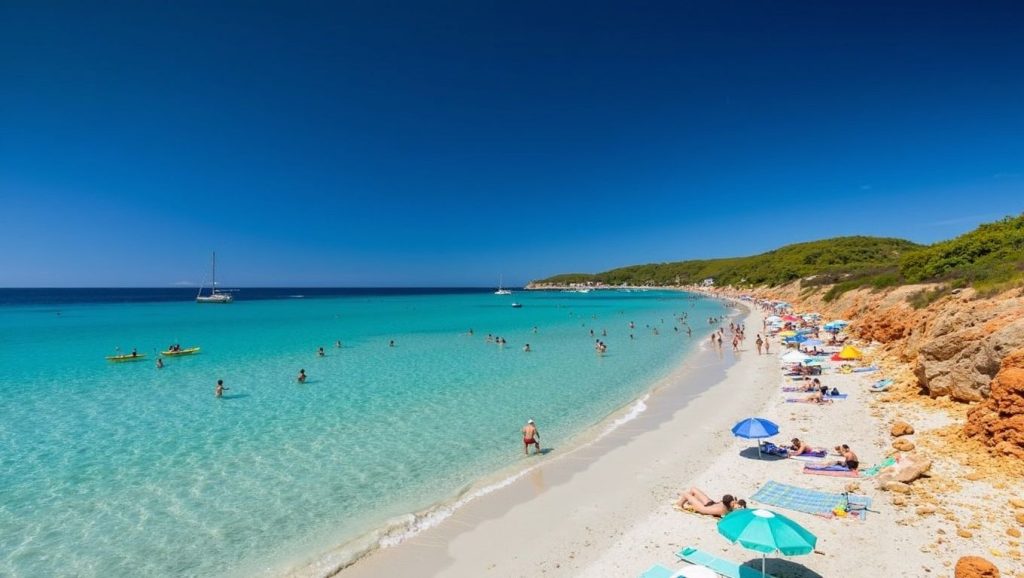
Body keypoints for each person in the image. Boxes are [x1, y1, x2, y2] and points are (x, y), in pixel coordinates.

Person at [675, 487, 746, 517]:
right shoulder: (727, 508)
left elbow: (727, 513)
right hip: (711, 504)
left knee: (687, 495)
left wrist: (736, 505)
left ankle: (679, 504)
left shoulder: (723, 510)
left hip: (703, 509)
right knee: (693, 489)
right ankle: (688, 502)